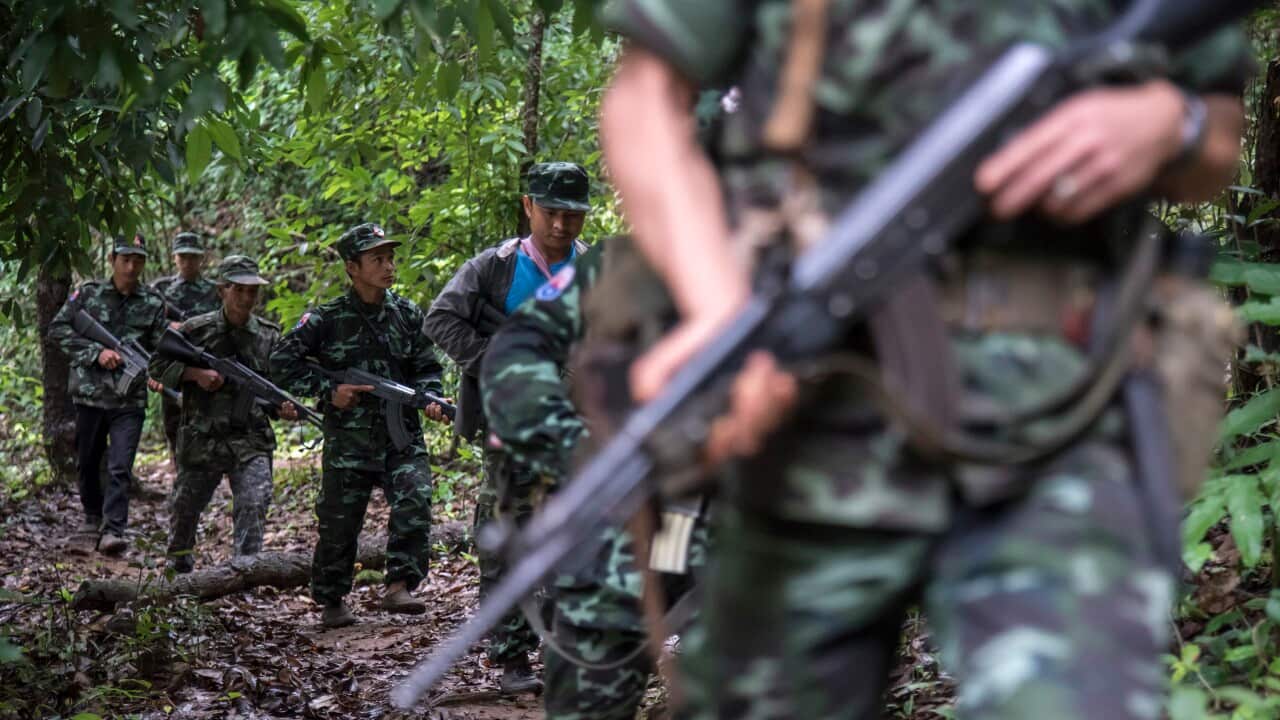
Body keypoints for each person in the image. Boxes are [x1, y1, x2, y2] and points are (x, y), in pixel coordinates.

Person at [598, 2, 1251, 718]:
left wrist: (1166, 123)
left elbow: (1217, 134)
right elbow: (645, 97)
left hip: (1059, 425)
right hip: (809, 416)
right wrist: (717, 312)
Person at [481, 237, 710, 719]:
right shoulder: (622, 262)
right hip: (632, 523)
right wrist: (580, 450)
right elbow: (514, 353)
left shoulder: (834, 244)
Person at [425, 161, 591, 693]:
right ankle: (512, 658)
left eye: (573, 215)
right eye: (551, 213)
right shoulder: (494, 267)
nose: (562, 226)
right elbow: (440, 319)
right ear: (528, 207)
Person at [271, 223, 449, 628]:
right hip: (348, 441)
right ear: (352, 267)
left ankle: (399, 585)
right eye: (377, 259)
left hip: (400, 436)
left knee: (415, 498)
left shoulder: (406, 314)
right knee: (338, 523)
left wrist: (432, 398)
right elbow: (281, 361)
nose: (388, 266)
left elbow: (426, 368)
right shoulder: (326, 319)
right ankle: (332, 600)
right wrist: (328, 389)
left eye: (390, 258)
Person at [149, 255, 300, 573]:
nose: (246, 298)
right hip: (202, 438)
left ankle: (244, 572)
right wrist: (195, 374)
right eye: (239, 290)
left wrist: (283, 408)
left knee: (255, 501)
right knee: (185, 510)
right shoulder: (196, 330)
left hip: (250, 438)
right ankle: (178, 574)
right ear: (223, 290)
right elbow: (157, 367)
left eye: (252, 292)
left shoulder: (269, 336)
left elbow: (274, 388)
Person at [49, 234, 168, 555]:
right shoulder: (88, 295)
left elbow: (161, 351)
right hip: (90, 396)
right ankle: (91, 516)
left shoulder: (153, 303)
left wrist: (160, 375)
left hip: (129, 401)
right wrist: (95, 353)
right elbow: (58, 329)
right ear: (113, 259)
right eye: (126, 259)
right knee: (87, 461)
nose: (131, 266)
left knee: (120, 465)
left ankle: (114, 528)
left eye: (138, 260)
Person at [152, 231, 220, 463]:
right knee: (174, 421)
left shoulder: (215, 290)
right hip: (174, 364)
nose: (188, 263)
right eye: (183, 257)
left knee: (209, 420)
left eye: (193, 257)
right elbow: (145, 320)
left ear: (201, 259)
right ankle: (177, 463)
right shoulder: (161, 289)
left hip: (206, 360)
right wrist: (171, 325)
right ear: (175, 258)